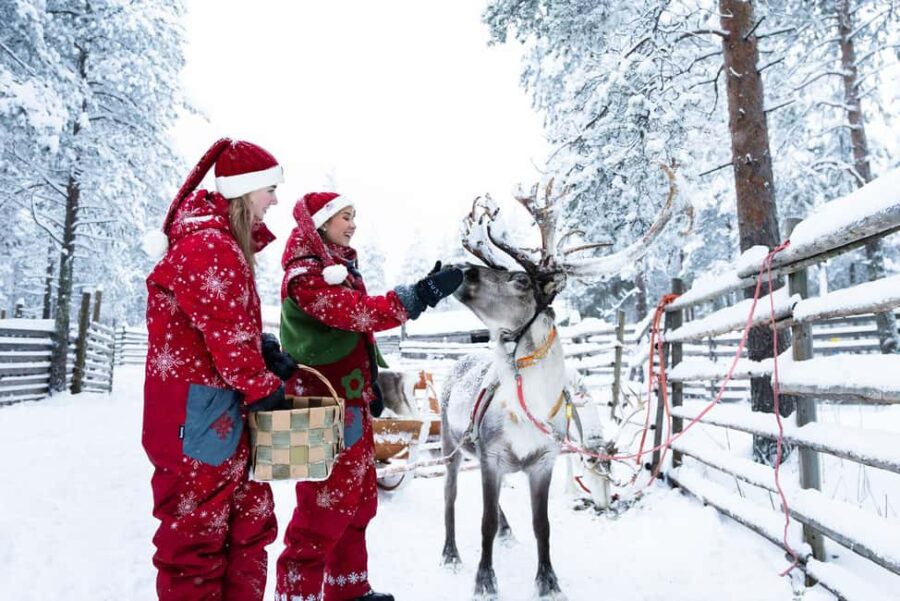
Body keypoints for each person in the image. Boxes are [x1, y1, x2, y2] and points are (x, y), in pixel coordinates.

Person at [273, 192, 462, 601]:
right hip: (316, 409)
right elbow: (357, 314)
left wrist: (371, 381)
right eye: (345, 216)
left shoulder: (335, 268)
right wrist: (421, 294)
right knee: (319, 512)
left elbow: (357, 333)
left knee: (357, 502)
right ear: (321, 223)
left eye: (354, 216)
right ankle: (296, 595)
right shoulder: (305, 275)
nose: (353, 224)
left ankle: (348, 590)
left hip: (348, 404)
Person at [143, 138, 296, 600]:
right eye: (268, 189)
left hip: (216, 413)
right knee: (196, 539)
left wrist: (262, 347)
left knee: (246, 526)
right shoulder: (211, 246)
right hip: (201, 419)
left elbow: (221, 324)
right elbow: (226, 335)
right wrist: (262, 384)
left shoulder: (219, 243)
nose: (274, 199)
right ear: (242, 191)